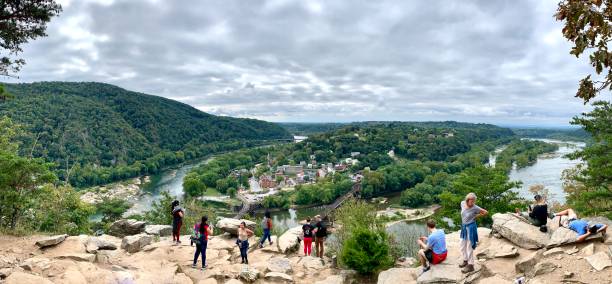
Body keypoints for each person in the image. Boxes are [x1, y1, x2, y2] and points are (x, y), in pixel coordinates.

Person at [459, 193, 487, 273]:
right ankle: (465, 260)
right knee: (462, 245)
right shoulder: (462, 203)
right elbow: (463, 214)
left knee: (469, 246)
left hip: (471, 227)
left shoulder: (475, 207)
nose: (473, 202)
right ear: (467, 200)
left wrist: (476, 216)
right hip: (464, 227)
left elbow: (485, 212)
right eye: (472, 200)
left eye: (474, 201)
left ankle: (471, 265)